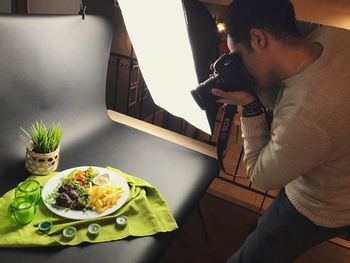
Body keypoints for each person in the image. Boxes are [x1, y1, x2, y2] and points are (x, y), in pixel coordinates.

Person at [210, 0, 350, 262]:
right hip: (337, 178)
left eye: (238, 57)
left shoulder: (307, 115)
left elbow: (261, 175)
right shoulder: (332, 37)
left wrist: (249, 106)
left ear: (258, 38)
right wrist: (251, 83)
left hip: (318, 206)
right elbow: (290, 96)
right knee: (264, 230)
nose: (240, 66)